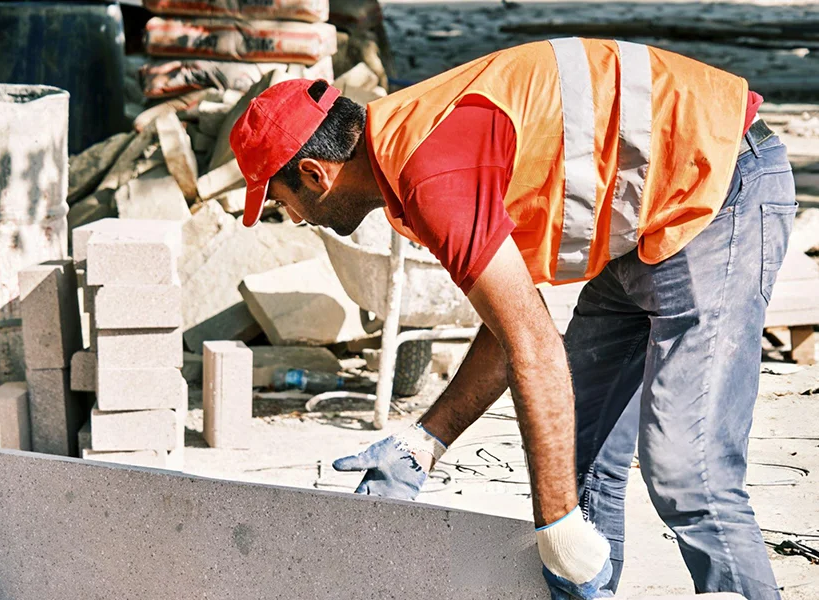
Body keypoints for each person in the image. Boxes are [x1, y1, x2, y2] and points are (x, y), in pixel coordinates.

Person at [229, 38, 794, 600]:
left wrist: (557, 528)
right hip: (640, 217)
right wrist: (426, 443)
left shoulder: (431, 176)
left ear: (314, 174)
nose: (296, 218)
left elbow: (533, 345)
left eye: (283, 204)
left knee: (688, 474)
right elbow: (511, 323)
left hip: (716, 184)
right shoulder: (402, 149)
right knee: (575, 466)